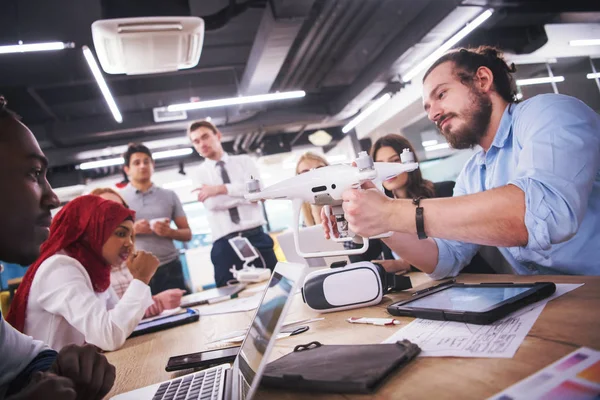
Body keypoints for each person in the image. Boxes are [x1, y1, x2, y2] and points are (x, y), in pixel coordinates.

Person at [324, 46, 600, 278]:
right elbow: (445, 258)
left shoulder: (549, 113)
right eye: (427, 108)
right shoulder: (473, 173)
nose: (434, 114)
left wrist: (391, 212)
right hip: (557, 300)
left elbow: (544, 215)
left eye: (441, 94)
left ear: (482, 80)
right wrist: (378, 222)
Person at [0, 96, 115, 399]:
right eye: (33, 173)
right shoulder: (61, 266)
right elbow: (110, 331)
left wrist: (60, 369)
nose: (53, 198)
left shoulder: (97, 271)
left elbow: (26, 359)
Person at [7, 195, 160, 352]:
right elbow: (109, 335)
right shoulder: (60, 268)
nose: (130, 243)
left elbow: (119, 323)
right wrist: (141, 279)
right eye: (121, 234)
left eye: (131, 236)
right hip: (49, 374)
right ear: (90, 231)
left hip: (73, 372)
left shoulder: (94, 267)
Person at [188, 120, 277, 287]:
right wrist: (245, 194)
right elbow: (212, 204)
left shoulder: (245, 162)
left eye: (205, 137)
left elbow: (259, 192)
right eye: (196, 141)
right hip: (225, 245)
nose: (202, 144)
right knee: (230, 296)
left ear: (218, 136)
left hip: (256, 237)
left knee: (275, 287)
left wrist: (220, 188)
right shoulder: (198, 173)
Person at [90, 187, 185, 317]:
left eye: (121, 208)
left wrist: (156, 302)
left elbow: (132, 312)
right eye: (108, 209)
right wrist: (158, 303)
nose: (117, 214)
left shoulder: (124, 258)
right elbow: (111, 321)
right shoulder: (89, 264)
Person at [121, 143, 192, 294]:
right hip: (136, 271)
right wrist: (133, 230)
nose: (142, 166)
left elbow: (187, 234)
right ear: (127, 169)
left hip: (170, 267)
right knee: (145, 315)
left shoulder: (169, 195)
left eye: (146, 161)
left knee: (185, 313)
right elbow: (109, 236)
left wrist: (169, 232)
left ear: (153, 165)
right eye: (136, 162)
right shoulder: (119, 199)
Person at [295, 152, 329, 226]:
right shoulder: (303, 209)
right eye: (305, 173)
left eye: (319, 169)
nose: (313, 175)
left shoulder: (346, 199)